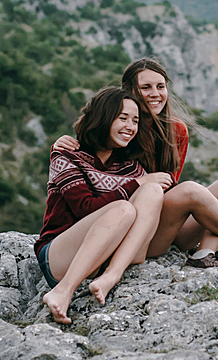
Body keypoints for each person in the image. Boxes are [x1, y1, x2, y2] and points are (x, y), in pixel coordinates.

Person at [55, 57, 218, 268]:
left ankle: (205, 254)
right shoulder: (121, 132)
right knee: (191, 189)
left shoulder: (176, 131)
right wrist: (63, 142)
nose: (155, 94)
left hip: (168, 223)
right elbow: (89, 160)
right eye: (146, 87)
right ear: (129, 92)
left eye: (160, 86)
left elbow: (170, 188)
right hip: (135, 232)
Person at [35, 86, 171, 324]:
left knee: (152, 190)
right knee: (124, 207)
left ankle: (112, 275)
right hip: (60, 255)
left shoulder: (130, 167)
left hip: (106, 257)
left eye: (135, 120)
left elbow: (153, 199)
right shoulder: (66, 156)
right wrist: (136, 184)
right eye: (123, 118)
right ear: (103, 118)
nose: (130, 126)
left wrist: (147, 183)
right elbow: (86, 208)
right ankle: (63, 291)